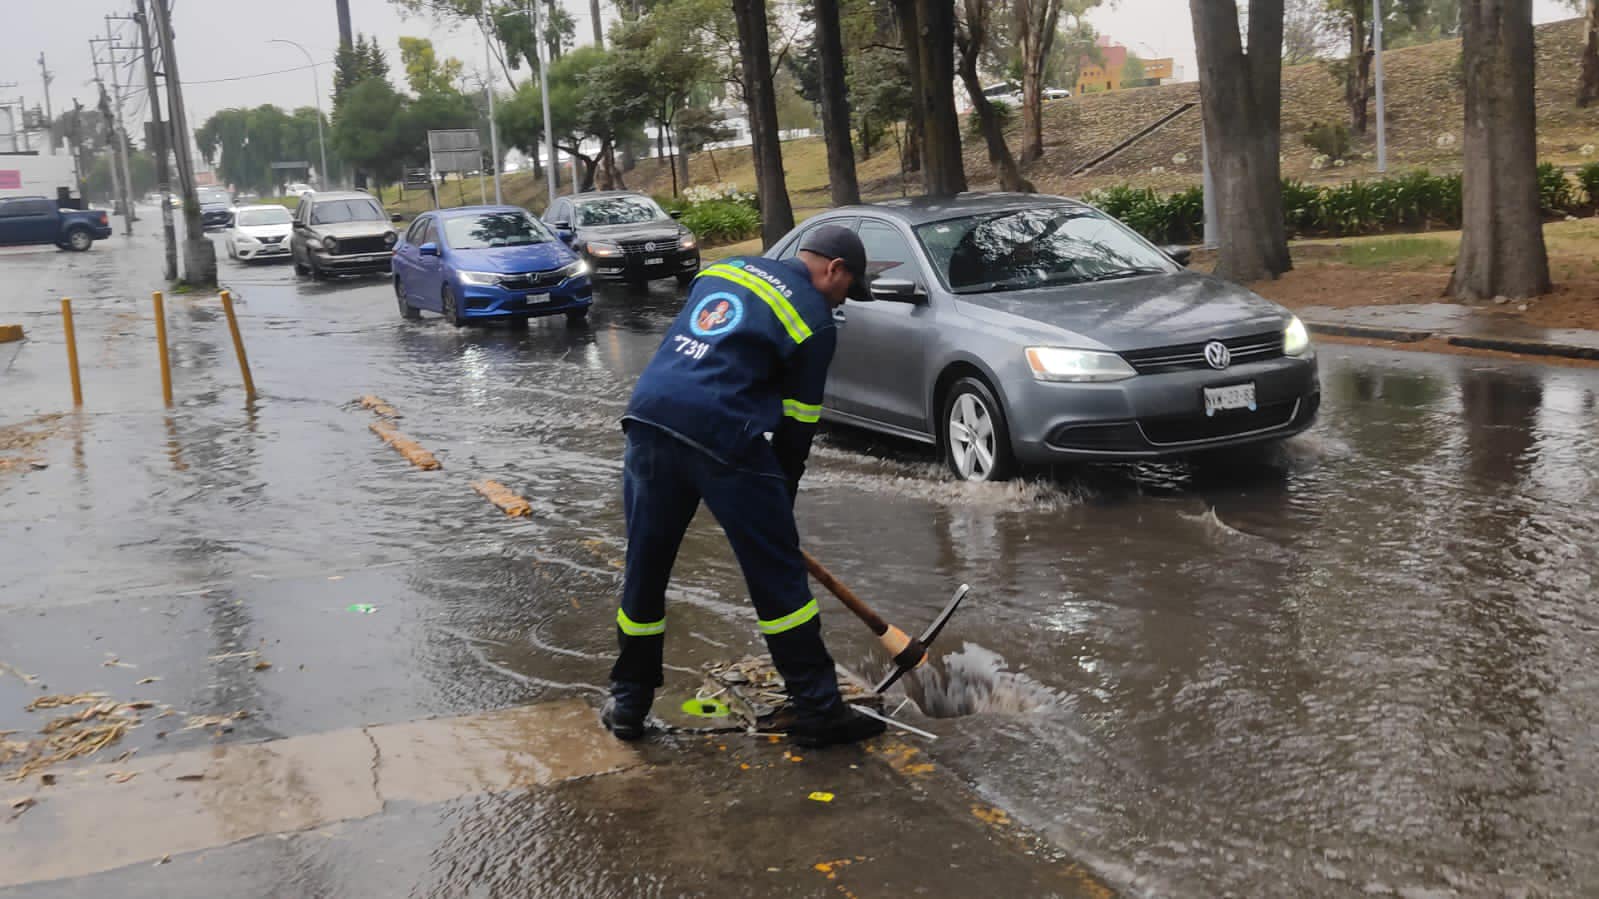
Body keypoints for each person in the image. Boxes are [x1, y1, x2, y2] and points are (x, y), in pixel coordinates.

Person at [603, 225, 886, 748]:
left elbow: (702, 341)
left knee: (645, 567)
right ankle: (820, 712)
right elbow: (798, 425)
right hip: (725, 433)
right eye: (848, 288)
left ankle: (628, 702)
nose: (844, 299)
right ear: (835, 270)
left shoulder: (726, 269)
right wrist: (780, 506)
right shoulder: (815, 321)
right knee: (781, 586)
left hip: (649, 418)